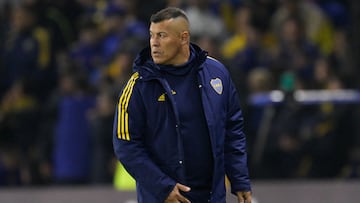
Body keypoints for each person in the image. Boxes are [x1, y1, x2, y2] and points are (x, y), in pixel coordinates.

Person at [113, 7, 252, 203]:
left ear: (183, 38)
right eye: (152, 35)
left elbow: (232, 130)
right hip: (165, 198)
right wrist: (162, 187)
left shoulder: (217, 73)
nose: (154, 43)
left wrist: (239, 179)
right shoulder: (138, 85)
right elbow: (126, 145)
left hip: (211, 197)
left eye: (162, 35)